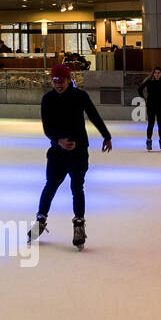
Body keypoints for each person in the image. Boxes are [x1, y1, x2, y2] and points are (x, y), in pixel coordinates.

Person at [29, 64, 112, 249]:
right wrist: (59, 141)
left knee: (77, 188)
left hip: (79, 152)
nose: (58, 84)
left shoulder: (79, 96)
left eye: (62, 81)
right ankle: (40, 221)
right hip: (57, 153)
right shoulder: (48, 99)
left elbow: (93, 115)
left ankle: (79, 226)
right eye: (55, 81)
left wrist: (106, 135)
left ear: (69, 79)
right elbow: (47, 128)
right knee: (51, 185)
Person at [138, 67, 161, 151]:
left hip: (160, 106)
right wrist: (144, 98)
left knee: (160, 124)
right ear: (153, 74)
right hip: (151, 106)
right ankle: (149, 141)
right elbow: (140, 89)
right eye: (155, 73)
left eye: (159, 73)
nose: (157, 74)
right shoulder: (149, 82)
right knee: (151, 124)